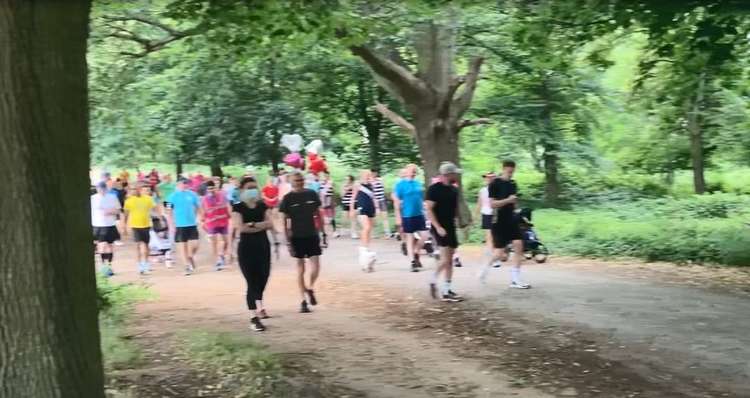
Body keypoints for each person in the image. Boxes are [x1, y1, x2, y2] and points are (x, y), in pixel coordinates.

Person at [232, 177, 275, 332]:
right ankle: (253, 317)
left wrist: (252, 225)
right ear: (242, 189)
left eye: (254, 187)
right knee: (251, 282)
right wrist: (260, 225)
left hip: (263, 247)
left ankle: (259, 304)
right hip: (246, 249)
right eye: (249, 187)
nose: (253, 190)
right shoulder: (237, 207)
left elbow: (271, 223)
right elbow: (240, 227)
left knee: (263, 278)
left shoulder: (262, 205)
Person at [279, 171, 324, 313]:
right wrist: (288, 242)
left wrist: (322, 233)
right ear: (291, 182)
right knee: (300, 268)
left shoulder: (311, 194)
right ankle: (302, 300)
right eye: (296, 180)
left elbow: (318, 214)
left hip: (311, 235)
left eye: (301, 179)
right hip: (296, 237)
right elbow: (285, 222)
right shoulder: (287, 199)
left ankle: (310, 288)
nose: (299, 182)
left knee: (316, 267)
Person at [488, 160, 530, 289]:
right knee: (499, 253)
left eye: (513, 171)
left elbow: (514, 201)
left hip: (511, 219)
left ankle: (515, 279)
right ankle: (484, 268)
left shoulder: (513, 183)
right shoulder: (494, 183)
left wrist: (517, 209)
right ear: (504, 168)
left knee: (519, 245)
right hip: (498, 220)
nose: (511, 173)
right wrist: (508, 201)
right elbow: (492, 204)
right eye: (509, 171)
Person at [425, 162, 464, 302]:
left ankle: (447, 290)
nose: (456, 176)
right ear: (447, 174)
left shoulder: (454, 190)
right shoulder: (434, 189)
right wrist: (437, 226)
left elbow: (455, 209)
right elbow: (429, 209)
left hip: (450, 226)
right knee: (446, 259)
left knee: (450, 260)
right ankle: (433, 279)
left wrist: (459, 221)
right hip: (439, 227)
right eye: (454, 173)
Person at [393, 164, 430, 272]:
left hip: (419, 214)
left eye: (415, 171)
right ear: (407, 171)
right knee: (409, 238)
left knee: (425, 235)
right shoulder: (401, 185)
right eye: (412, 170)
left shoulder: (417, 183)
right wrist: (398, 216)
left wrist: (425, 206)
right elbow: (396, 199)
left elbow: (421, 198)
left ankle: (416, 251)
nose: (413, 172)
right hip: (407, 215)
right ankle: (412, 262)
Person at [167, 177, 202, 275]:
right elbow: (168, 211)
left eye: (186, 183)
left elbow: (198, 206)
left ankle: (190, 256)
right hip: (179, 224)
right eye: (183, 183)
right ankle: (186, 266)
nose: (185, 185)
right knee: (183, 245)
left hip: (192, 223)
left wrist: (201, 217)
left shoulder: (192, 194)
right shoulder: (171, 196)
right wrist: (171, 224)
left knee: (195, 244)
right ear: (178, 184)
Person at [123, 182, 155, 275]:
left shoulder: (148, 199)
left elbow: (154, 208)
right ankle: (140, 265)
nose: (133, 191)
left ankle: (146, 263)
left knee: (146, 246)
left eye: (135, 189)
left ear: (139, 189)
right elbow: (126, 214)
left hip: (146, 225)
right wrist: (124, 226)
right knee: (140, 245)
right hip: (135, 226)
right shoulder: (128, 201)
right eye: (132, 189)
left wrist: (160, 218)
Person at [477, 172, 503, 282]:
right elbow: (479, 203)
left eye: (491, 177)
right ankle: (493, 258)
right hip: (486, 214)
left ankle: (493, 257)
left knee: (493, 236)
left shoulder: (498, 189)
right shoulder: (483, 190)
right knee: (489, 237)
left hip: (495, 214)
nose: (488, 179)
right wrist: (476, 215)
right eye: (487, 178)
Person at [91, 182, 121, 277]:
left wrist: (111, 211)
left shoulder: (112, 197)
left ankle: (109, 266)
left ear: (106, 189)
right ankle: (103, 266)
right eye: (99, 188)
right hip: (98, 224)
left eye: (103, 188)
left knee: (109, 246)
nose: (101, 190)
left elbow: (118, 210)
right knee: (101, 245)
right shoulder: (93, 198)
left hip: (110, 224)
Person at [202, 180, 231, 270]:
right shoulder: (206, 198)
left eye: (212, 188)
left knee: (225, 241)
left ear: (215, 187)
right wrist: (203, 220)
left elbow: (227, 205)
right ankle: (217, 262)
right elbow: (205, 209)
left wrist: (229, 213)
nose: (210, 190)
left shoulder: (222, 195)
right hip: (212, 223)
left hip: (223, 221)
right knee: (214, 243)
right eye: (208, 189)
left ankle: (221, 255)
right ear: (206, 190)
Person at [371, 170, 391, 238]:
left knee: (385, 217)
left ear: (377, 173)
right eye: (372, 173)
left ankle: (387, 233)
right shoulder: (370, 181)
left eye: (375, 173)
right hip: (374, 201)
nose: (374, 174)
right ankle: (374, 233)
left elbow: (383, 188)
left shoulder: (380, 180)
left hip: (382, 200)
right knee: (375, 217)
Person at [319, 173, 339, 238]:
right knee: (324, 218)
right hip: (323, 204)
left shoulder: (330, 184)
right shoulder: (321, 184)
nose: (325, 178)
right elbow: (320, 194)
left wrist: (334, 202)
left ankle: (334, 231)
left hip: (330, 203)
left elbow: (333, 193)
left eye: (326, 177)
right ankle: (324, 232)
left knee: (332, 218)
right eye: (324, 177)